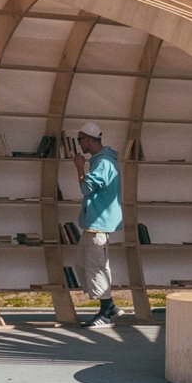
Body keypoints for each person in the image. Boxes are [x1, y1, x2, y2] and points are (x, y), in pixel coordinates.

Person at [72, 122, 123, 327]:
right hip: (93, 224)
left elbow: (86, 188)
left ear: (89, 139)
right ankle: (109, 305)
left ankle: (106, 312)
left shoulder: (103, 163)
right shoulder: (101, 161)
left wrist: (79, 168)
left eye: (80, 140)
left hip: (98, 225)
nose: (79, 144)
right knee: (83, 264)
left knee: (96, 267)